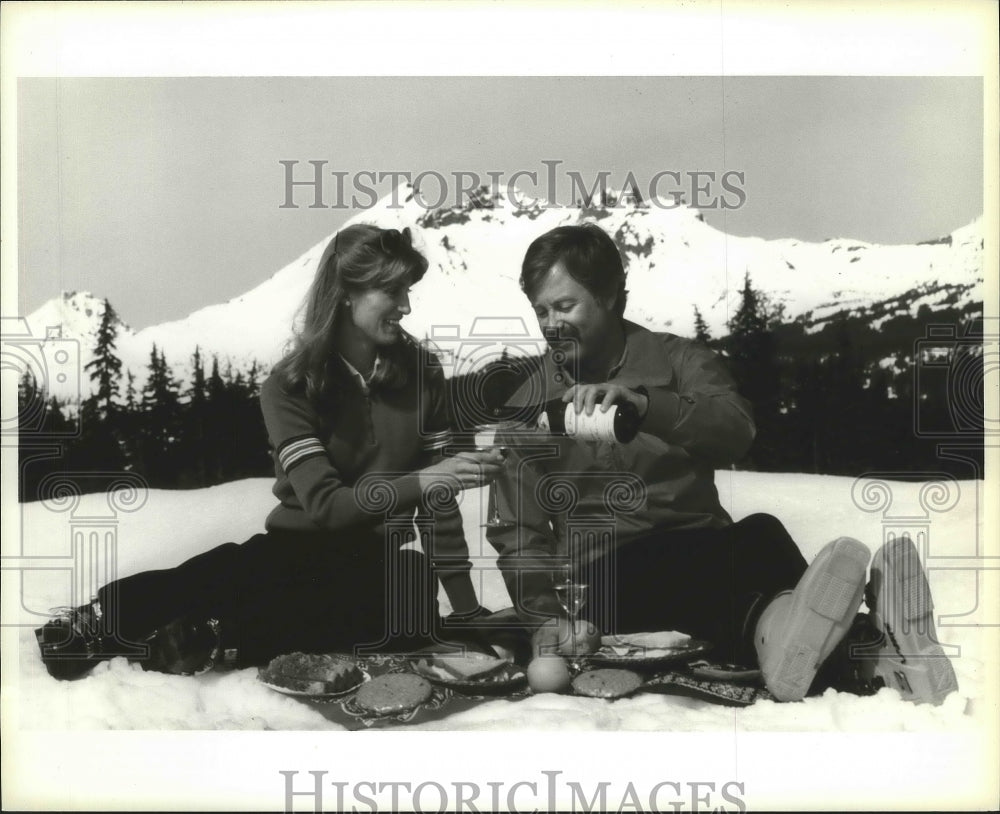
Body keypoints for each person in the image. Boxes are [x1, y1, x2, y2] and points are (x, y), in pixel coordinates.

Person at [486, 222, 958, 704]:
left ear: (609, 295)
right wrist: (546, 618)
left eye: (565, 306)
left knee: (760, 533)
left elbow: (735, 432)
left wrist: (648, 405)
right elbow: (518, 532)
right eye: (540, 310)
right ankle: (837, 641)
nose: (549, 324)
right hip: (605, 578)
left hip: (710, 550)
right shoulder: (528, 409)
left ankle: (866, 650)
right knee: (690, 568)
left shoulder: (678, 360)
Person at [36, 224, 504, 680]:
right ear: (345, 292)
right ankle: (104, 621)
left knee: (409, 591)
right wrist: (428, 479)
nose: (406, 306)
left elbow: (440, 505)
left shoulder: (424, 372)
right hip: (301, 548)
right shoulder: (290, 386)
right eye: (393, 292)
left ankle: (207, 637)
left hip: (379, 560)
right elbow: (325, 506)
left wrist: (467, 610)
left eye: (408, 291)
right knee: (244, 571)